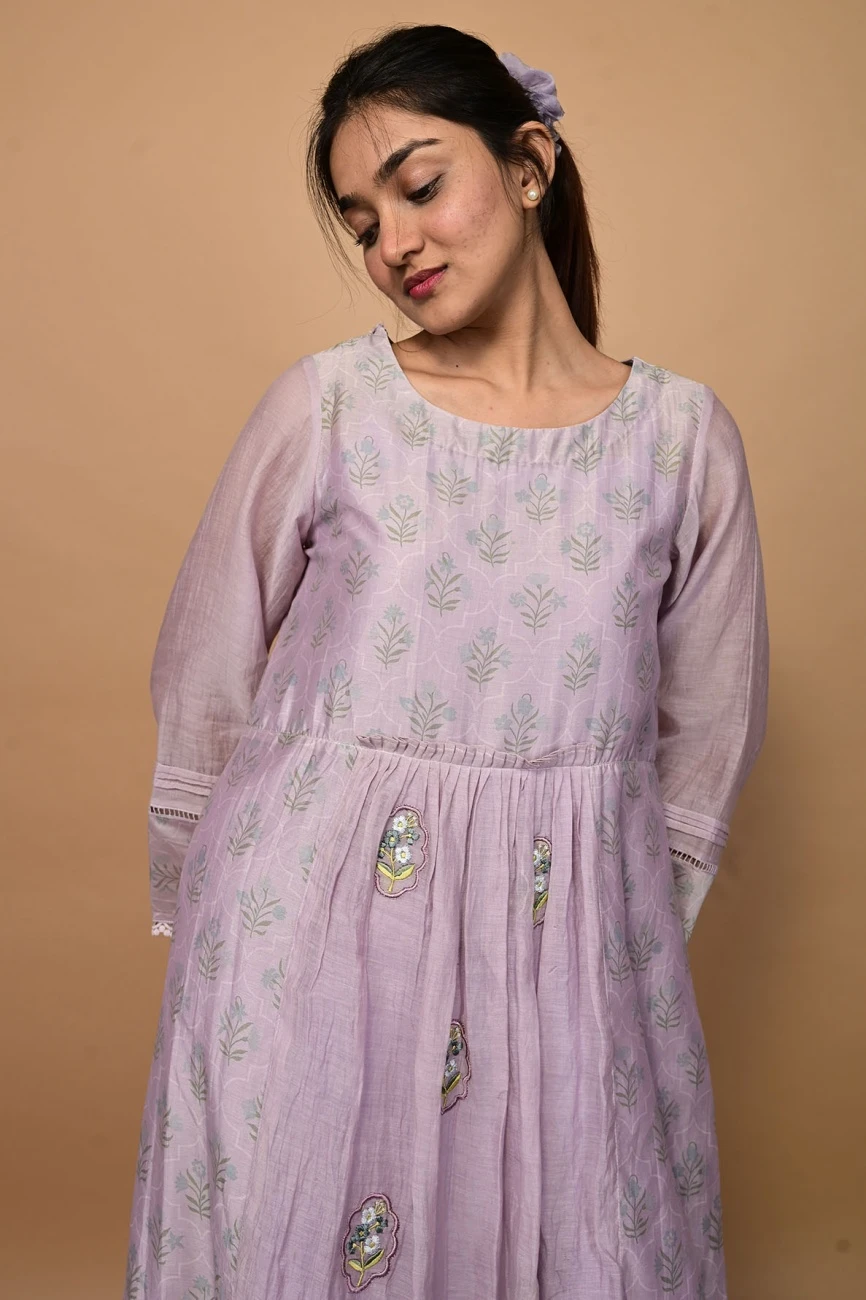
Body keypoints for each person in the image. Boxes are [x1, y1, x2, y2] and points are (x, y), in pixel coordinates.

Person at [124, 23, 769, 1300]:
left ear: (528, 165)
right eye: (362, 222)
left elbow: (700, 745)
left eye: (418, 187)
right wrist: (210, 911)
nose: (394, 245)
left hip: (567, 959)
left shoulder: (679, 443)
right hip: (304, 941)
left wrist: (599, 939)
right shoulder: (329, 408)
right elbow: (204, 670)